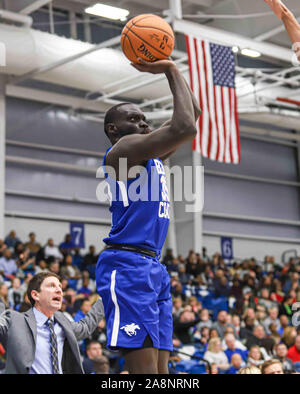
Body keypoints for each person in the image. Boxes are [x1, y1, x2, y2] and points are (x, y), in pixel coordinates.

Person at [95, 57, 200, 374]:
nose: (143, 123)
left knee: (162, 374)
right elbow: (185, 125)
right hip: (127, 266)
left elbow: (192, 115)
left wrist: (175, 72)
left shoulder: (150, 155)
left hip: (153, 266)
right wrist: (170, 69)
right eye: (134, 118)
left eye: (144, 119)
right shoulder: (122, 151)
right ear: (114, 129)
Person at [0, 272, 104, 374]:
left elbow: (85, 327)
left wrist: (105, 298)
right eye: (51, 286)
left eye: (60, 286)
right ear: (35, 295)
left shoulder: (62, 321)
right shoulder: (14, 320)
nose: (59, 290)